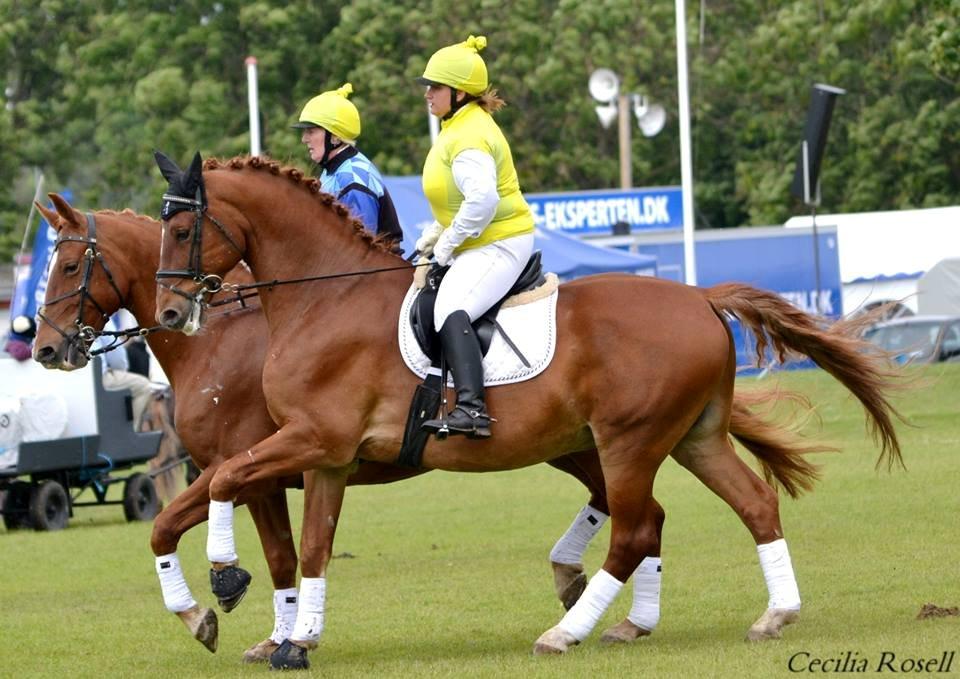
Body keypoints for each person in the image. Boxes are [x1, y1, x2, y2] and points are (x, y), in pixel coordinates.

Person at [414, 35, 536, 439]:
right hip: (479, 240)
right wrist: (434, 236)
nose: (427, 94)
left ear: (460, 92)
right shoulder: (457, 126)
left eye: (434, 87)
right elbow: (455, 199)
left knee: (450, 307)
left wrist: (446, 247)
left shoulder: (468, 134)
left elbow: (481, 203)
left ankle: (472, 409)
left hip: (499, 242)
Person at [292, 83, 403, 244]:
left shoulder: (352, 180)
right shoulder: (333, 169)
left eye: (311, 131)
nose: (304, 139)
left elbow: (361, 251)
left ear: (335, 137)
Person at [95, 316, 154, 431]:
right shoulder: (100, 317)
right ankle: (130, 432)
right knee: (143, 386)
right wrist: (120, 370)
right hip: (100, 378)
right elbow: (118, 357)